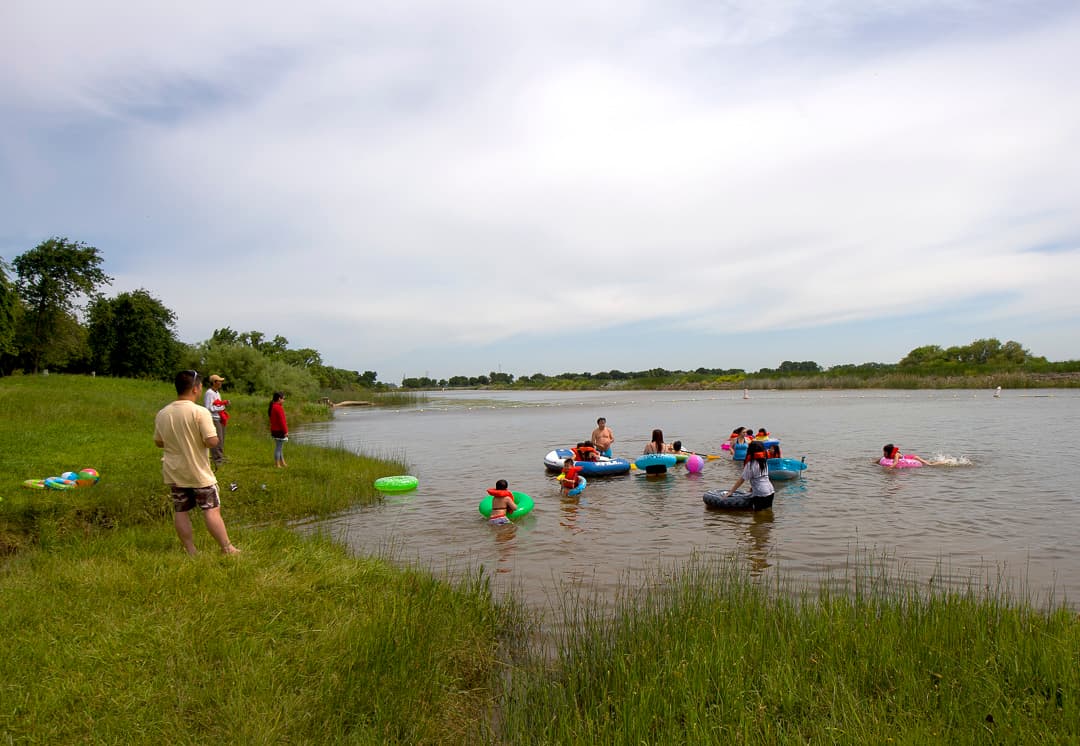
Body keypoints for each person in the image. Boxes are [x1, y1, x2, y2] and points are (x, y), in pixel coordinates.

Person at [154, 370, 240, 555]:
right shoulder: (200, 412)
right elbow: (211, 441)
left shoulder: (163, 413)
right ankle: (227, 548)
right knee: (211, 510)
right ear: (195, 389)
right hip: (198, 471)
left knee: (181, 510)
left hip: (174, 472)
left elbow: (159, 442)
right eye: (200, 387)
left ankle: (191, 551)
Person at [727, 440, 774, 510]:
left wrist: (731, 492)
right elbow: (761, 477)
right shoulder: (764, 462)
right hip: (770, 490)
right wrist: (752, 489)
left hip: (760, 493)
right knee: (768, 511)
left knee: (758, 516)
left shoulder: (750, 464)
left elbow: (741, 479)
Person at [203, 374, 229, 466]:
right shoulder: (209, 393)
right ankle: (217, 459)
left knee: (222, 438)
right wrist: (221, 408)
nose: (221, 383)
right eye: (219, 381)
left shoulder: (217, 393)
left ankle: (220, 456)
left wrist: (223, 405)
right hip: (214, 418)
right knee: (217, 439)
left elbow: (218, 405)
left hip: (220, 417)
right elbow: (208, 407)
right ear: (214, 382)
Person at [268, 391, 288, 467]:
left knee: (279, 447)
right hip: (279, 431)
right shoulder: (278, 408)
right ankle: (277, 464)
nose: (284, 400)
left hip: (274, 430)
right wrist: (286, 431)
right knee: (278, 448)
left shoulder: (273, 406)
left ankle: (282, 462)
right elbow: (282, 421)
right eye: (284, 398)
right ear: (279, 398)